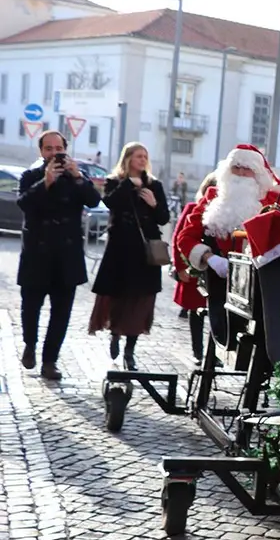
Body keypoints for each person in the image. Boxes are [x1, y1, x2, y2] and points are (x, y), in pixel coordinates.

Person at [173, 144, 280, 349]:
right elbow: (185, 237)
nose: (241, 174)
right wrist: (209, 258)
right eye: (237, 167)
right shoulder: (211, 198)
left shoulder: (276, 200)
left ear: (258, 174)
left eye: (247, 169)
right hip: (220, 281)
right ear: (227, 170)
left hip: (261, 282)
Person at [16, 130, 102, 380]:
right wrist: (46, 183)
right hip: (37, 254)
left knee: (61, 313)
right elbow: (24, 203)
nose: (54, 153)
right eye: (49, 148)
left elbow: (94, 200)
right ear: (41, 152)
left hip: (67, 256)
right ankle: (30, 345)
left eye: (58, 148)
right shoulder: (31, 176)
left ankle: (50, 361)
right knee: (30, 308)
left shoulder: (78, 176)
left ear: (66, 149)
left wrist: (77, 177)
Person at [87, 142, 171, 370]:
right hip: (120, 251)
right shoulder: (115, 182)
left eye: (145, 156)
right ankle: (115, 333)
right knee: (118, 296)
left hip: (145, 253)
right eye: (138, 156)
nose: (142, 160)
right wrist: (127, 185)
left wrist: (154, 204)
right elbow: (109, 202)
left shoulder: (155, 185)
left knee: (140, 301)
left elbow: (164, 218)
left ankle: (129, 352)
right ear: (128, 159)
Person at [171, 172, 215, 360]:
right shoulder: (192, 208)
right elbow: (178, 238)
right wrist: (181, 267)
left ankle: (213, 353)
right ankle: (198, 350)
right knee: (195, 312)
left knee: (215, 313)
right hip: (195, 267)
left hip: (215, 268)